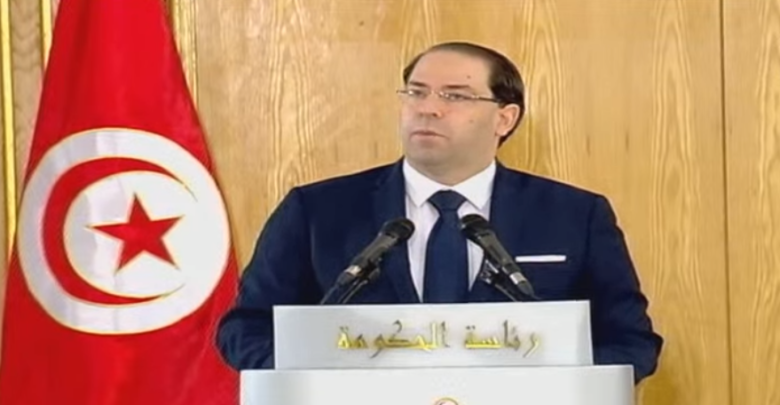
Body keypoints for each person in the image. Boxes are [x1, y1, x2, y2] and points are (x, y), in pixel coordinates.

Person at [215, 41, 663, 383]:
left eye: (456, 96)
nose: (428, 108)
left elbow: (630, 341)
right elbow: (246, 329)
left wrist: (559, 388)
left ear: (505, 118)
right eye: (416, 92)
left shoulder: (575, 214)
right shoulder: (317, 210)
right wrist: (319, 384)